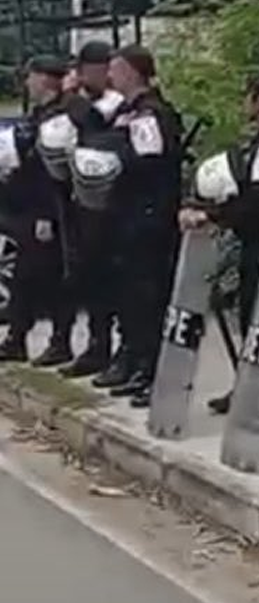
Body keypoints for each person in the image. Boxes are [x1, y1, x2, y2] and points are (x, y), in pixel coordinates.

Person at [178, 72, 259, 416]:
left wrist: (216, 216)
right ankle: (254, 389)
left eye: (246, 96)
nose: (243, 103)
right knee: (256, 319)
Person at [91, 45, 183, 409]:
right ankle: (130, 356)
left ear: (131, 71)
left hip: (148, 218)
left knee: (147, 296)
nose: (110, 76)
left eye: (115, 69)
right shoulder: (124, 113)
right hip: (126, 217)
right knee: (127, 294)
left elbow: (148, 163)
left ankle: (149, 367)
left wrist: (112, 157)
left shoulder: (149, 114)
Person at [57, 40, 125, 378]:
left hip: (109, 205)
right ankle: (95, 345)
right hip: (81, 199)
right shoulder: (84, 102)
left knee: (109, 279)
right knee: (86, 277)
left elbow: (94, 126)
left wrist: (72, 99)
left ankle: (115, 349)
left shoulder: (114, 102)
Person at [0, 56, 72, 364]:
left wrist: (46, 215)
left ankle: (57, 341)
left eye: (31, 77)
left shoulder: (60, 115)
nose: (27, 83)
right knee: (25, 277)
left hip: (47, 209)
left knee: (47, 278)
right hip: (24, 206)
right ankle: (16, 338)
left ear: (45, 79)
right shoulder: (40, 114)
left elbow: (52, 172)